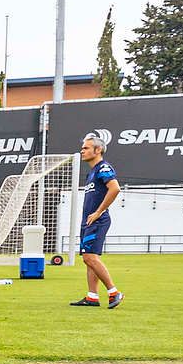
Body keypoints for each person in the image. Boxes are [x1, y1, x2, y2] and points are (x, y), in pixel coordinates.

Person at [70, 132, 124, 309]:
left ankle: (114, 292)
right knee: (88, 258)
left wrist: (99, 212)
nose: (82, 151)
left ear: (98, 149)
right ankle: (92, 296)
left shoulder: (103, 168)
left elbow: (115, 188)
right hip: (89, 221)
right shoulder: (92, 172)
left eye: (86, 148)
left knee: (90, 257)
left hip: (98, 220)